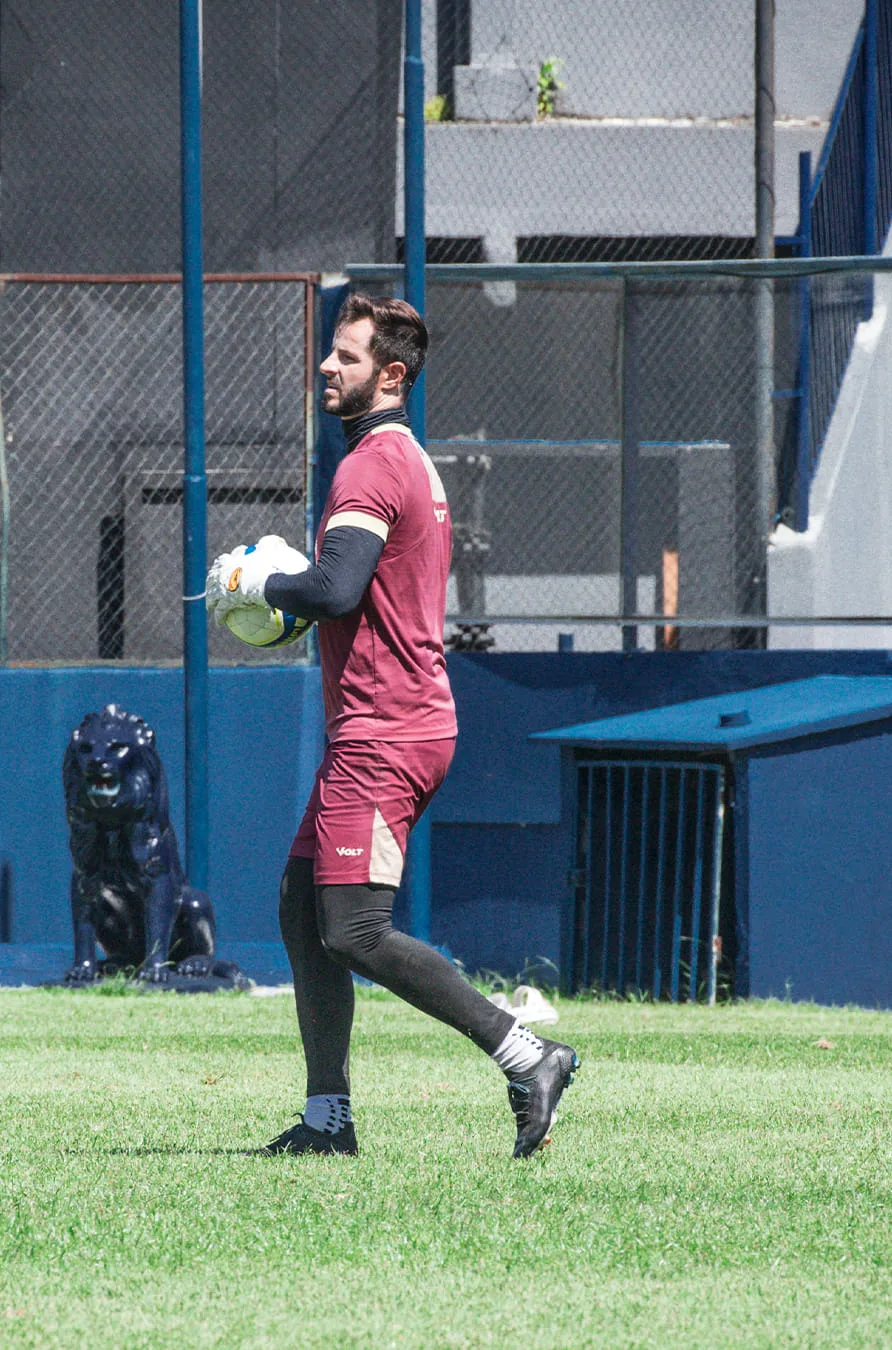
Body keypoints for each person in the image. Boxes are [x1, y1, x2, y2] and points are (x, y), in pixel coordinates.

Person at [206, 294, 578, 1158]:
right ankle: (328, 1123)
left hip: (386, 729)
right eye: (330, 354)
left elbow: (335, 589)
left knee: (354, 929)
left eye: (346, 356)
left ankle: (528, 1055)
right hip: (384, 724)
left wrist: (256, 588)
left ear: (393, 374)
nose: (327, 368)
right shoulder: (403, 456)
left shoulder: (372, 464)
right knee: (305, 913)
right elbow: (351, 592)